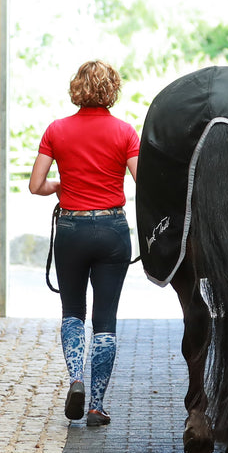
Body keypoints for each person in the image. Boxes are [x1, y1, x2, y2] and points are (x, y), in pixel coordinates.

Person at [29, 60, 139, 426]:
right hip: (112, 230)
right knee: (105, 320)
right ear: (112, 90)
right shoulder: (125, 132)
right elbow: (144, 182)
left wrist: (61, 185)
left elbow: (36, 185)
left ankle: (75, 378)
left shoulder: (56, 130)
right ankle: (96, 405)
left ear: (76, 88)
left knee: (73, 311)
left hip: (72, 230)